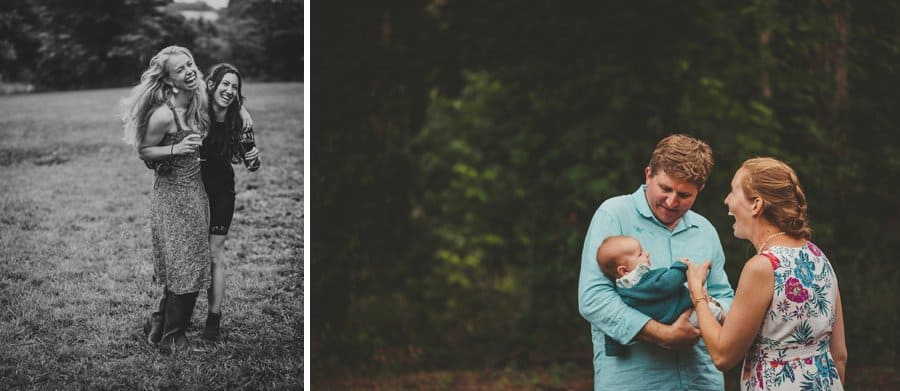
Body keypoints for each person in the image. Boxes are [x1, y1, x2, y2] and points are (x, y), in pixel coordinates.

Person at [578, 134, 735, 390]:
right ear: (648, 174)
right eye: (665, 189)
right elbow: (594, 298)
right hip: (635, 381)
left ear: (700, 190)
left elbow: (724, 295)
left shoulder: (705, 230)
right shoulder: (614, 215)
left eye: (684, 194)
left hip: (700, 380)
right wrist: (665, 335)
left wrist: (706, 313)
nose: (672, 202)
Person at [685, 157, 847, 390]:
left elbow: (722, 356)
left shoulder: (762, 267)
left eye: (733, 192)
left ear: (756, 205)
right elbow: (839, 355)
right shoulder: (818, 256)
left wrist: (697, 293)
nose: (726, 200)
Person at [121, 45, 210, 354]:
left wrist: (243, 110)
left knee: (186, 263)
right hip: (172, 198)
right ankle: (173, 338)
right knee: (185, 265)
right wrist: (176, 149)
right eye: (180, 69)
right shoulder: (163, 115)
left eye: (190, 64)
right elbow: (144, 150)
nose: (189, 71)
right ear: (170, 80)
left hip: (195, 194)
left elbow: (229, 99)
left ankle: (158, 325)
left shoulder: (198, 97)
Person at [199, 63, 261, 341]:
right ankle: (168, 314)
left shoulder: (239, 121)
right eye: (225, 84)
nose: (229, 90)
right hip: (193, 191)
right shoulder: (197, 111)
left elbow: (252, 163)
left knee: (215, 254)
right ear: (212, 85)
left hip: (222, 192)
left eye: (235, 87)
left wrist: (254, 159)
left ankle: (213, 319)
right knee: (188, 253)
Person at [596, 235, 725, 357]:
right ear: (623, 270)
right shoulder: (642, 280)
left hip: (667, 322)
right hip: (681, 314)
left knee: (712, 316)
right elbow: (665, 284)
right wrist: (680, 267)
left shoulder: (621, 290)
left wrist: (614, 349)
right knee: (717, 315)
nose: (647, 254)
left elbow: (612, 328)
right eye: (640, 254)